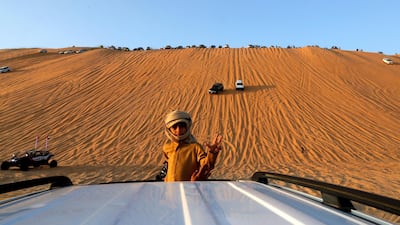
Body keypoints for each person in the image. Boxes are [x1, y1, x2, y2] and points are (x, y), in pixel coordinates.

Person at [162, 110, 222, 182]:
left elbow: (206, 166)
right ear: (169, 129)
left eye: (182, 126)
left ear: (187, 127)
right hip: (170, 188)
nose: (178, 130)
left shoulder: (195, 147)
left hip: (188, 188)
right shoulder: (166, 147)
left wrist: (212, 153)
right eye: (174, 127)